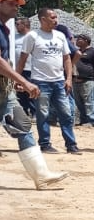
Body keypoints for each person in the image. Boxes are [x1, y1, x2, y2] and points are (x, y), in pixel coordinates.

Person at [1, 0, 69, 188]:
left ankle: (41, 175)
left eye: (18, 4)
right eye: (12, 4)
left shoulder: (4, 30)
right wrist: (24, 80)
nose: (17, 7)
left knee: (22, 126)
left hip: (3, 92)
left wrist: (13, 81)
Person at [17, 8, 81, 155]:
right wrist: (19, 79)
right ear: (43, 19)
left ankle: (71, 145)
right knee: (43, 114)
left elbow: (67, 59)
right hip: (40, 82)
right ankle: (45, 144)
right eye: (52, 17)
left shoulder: (60, 36)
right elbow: (23, 59)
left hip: (59, 82)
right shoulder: (32, 36)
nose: (55, 20)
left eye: (56, 17)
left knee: (66, 114)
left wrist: (69, 78)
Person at [73, 34, 94, 126]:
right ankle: (83, 120)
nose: (77, 41)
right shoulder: (77, 52)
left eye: (79, 39)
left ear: (86, 40)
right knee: (79, 102)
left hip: (89, 80)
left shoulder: (93, 51)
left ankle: (91, 120)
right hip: (76, 80)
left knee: (90, 101)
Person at [13, 16, 34, 117]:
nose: (15, 26)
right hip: (17, 69)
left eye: (17, 24)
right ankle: (24, 112)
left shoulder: (33, 36)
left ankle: (34, 112)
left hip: (30, 69)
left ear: (24, 25)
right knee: (20, 91)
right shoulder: (15, 37)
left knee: (30, 90)